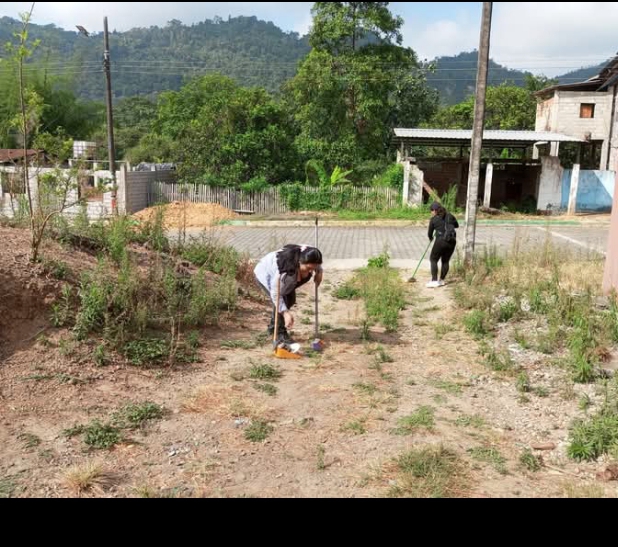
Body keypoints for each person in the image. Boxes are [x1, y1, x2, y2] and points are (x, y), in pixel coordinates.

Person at [254, 245, 323, 343]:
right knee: (283, 302)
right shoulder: (285, 273)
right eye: (308, 268)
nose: (311, 271)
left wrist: (319, 272)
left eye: (313, 268)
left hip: (289, 274)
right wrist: (285, 313)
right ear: (300, 262)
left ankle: (273, 328)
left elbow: (315, 262)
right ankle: (280, 334)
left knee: (290, 299)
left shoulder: (308, 253)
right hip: (265, 274)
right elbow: (276, 294)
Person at [426, 202, 459, 288]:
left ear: (435, 210)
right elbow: (456, 225)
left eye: (431, 210)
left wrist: (431, 238)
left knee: (433, 259)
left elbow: (429, 233)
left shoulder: (433, 219)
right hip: (452, 241)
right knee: (445, 261)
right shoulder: (450, 215)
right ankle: (441, 280)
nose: (431, 212)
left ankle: (434, 281)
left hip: (441, 241)